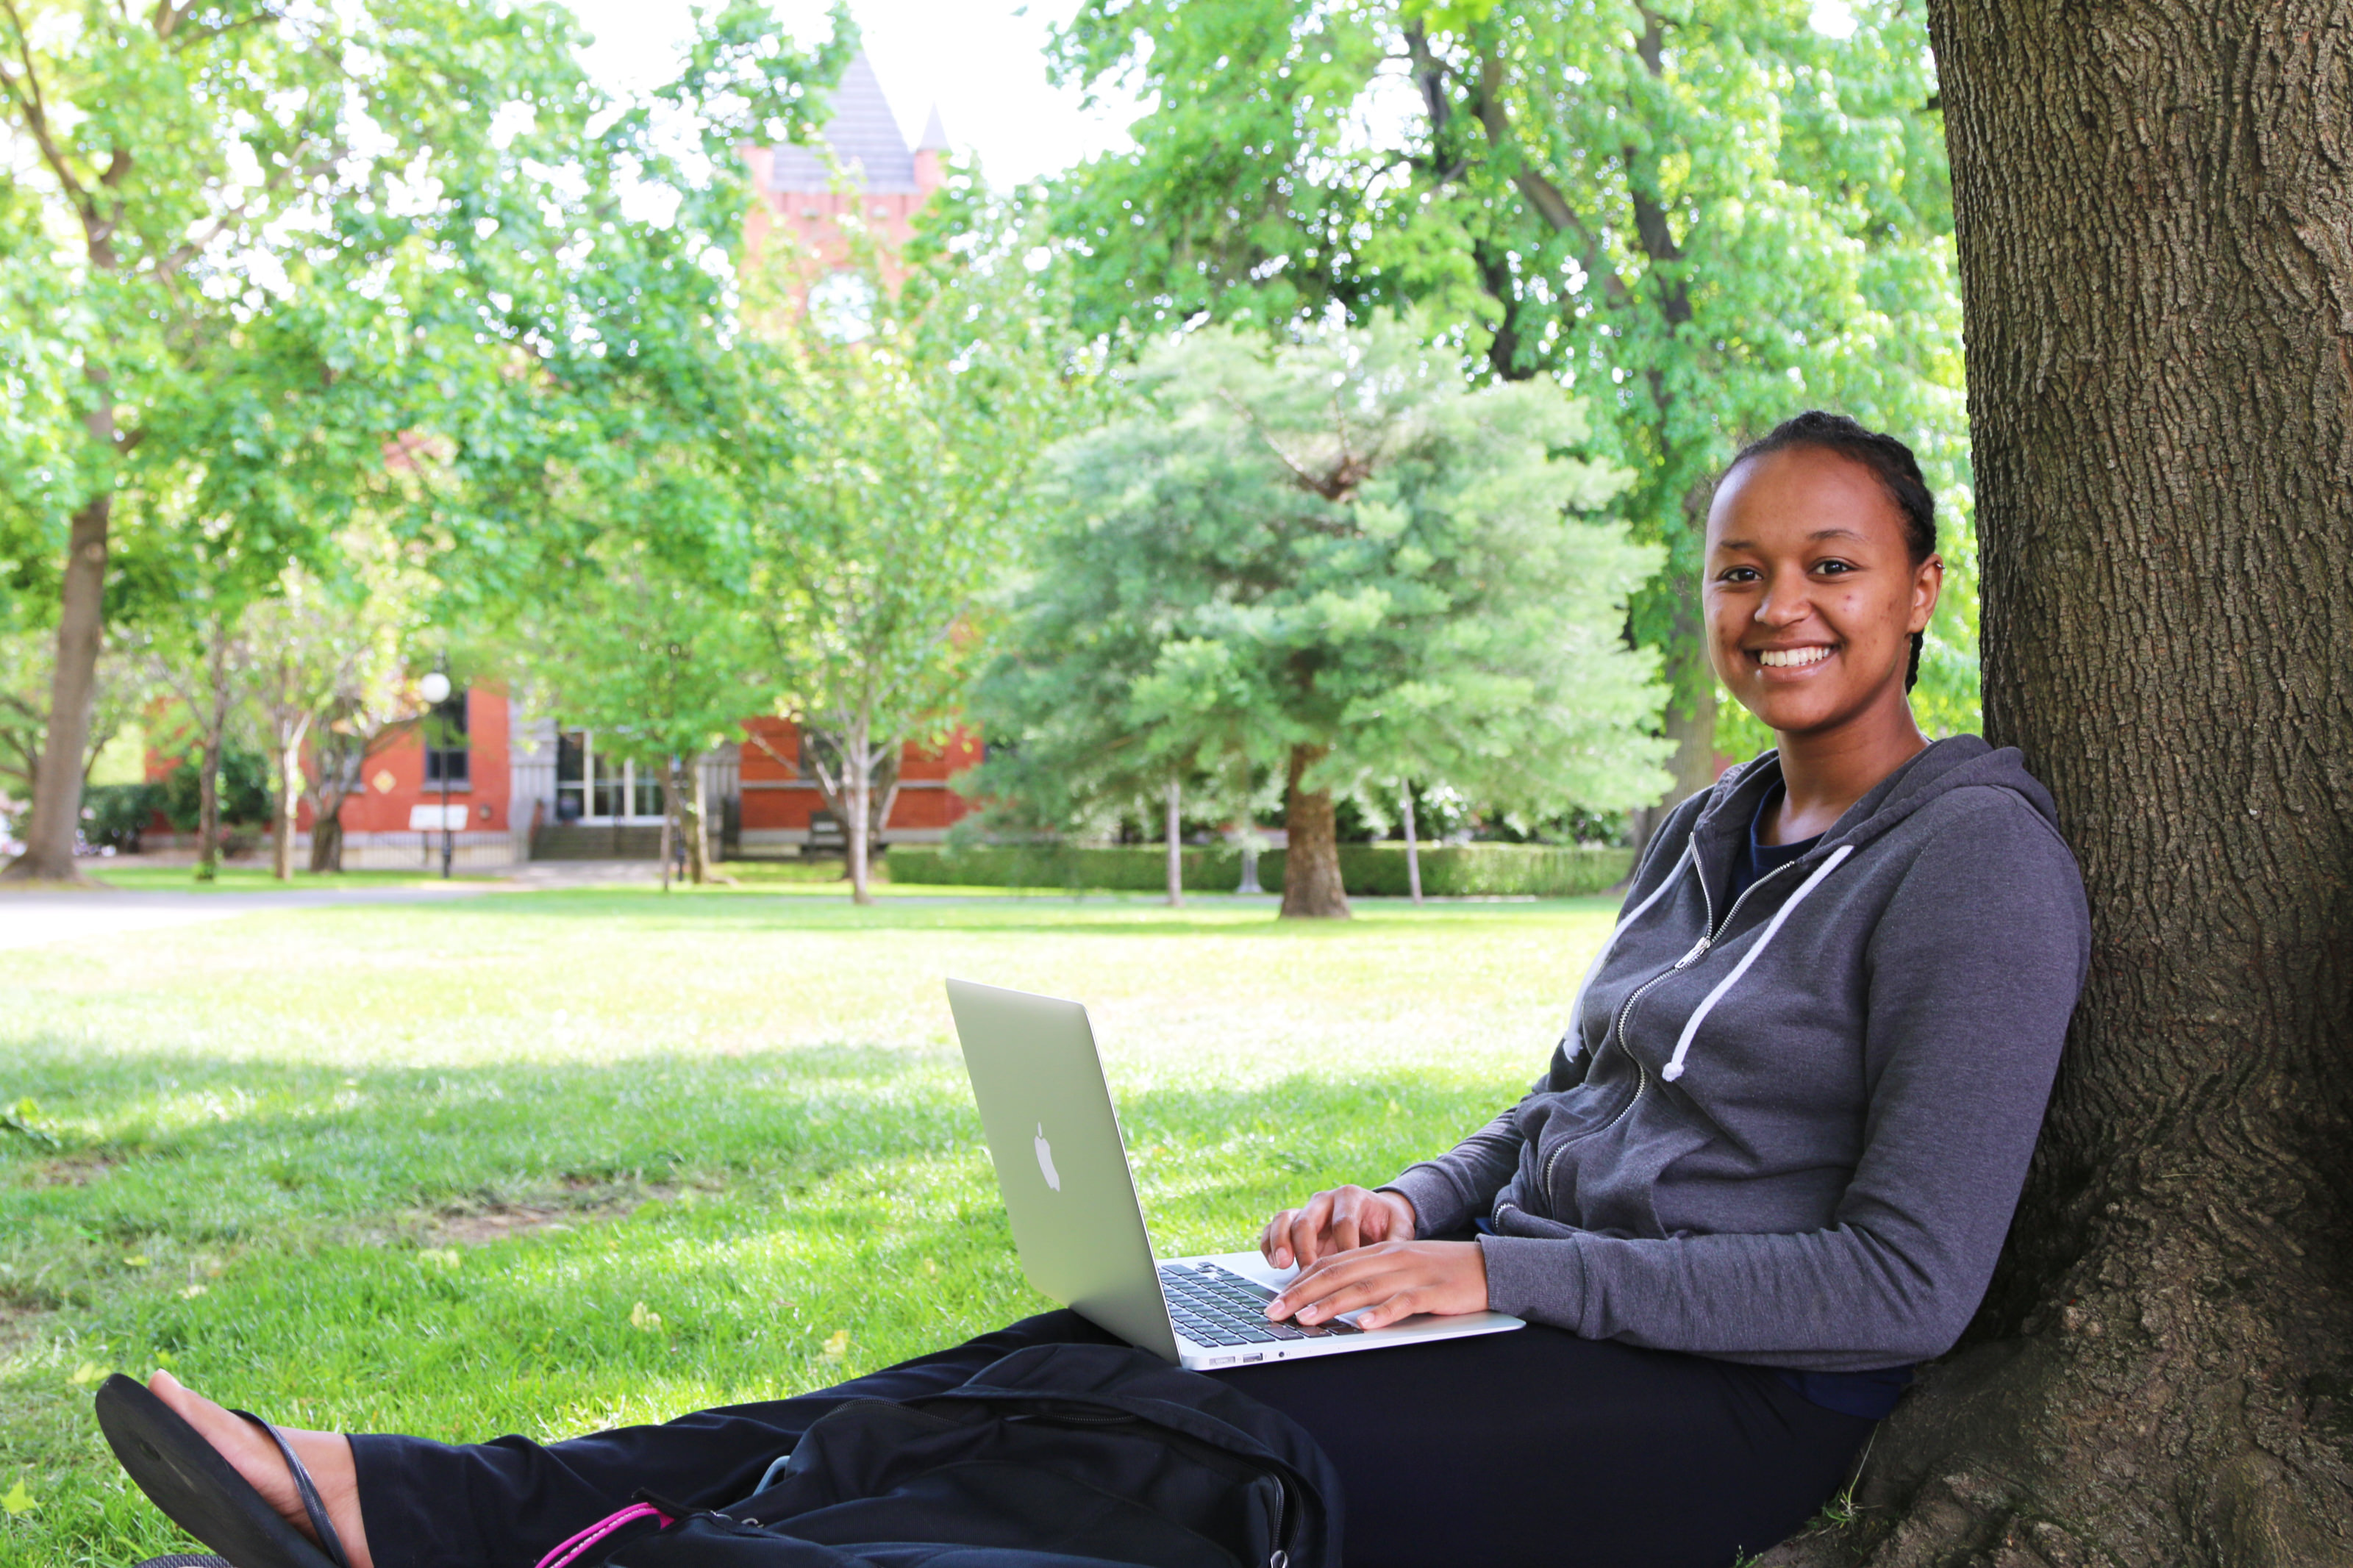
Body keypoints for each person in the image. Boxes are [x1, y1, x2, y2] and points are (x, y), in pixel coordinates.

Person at [110, 412, 2090, 1568]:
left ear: (1921, 587)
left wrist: (1501, 1279)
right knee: (1035, 1359)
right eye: (1744, 571)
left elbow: (1904, 1284)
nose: (1782, 610)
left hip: (1720, 1403)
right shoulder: (1704, 829)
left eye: (1830, 566)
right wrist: (1415, 1213)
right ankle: (435, 1502)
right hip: (1517, 1312)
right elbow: (1560, 1112)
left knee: (1165, 1457)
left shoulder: (1974, 860)